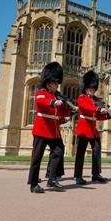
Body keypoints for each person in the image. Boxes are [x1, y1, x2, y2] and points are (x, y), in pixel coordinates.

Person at [27, 62, 71, 193]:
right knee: (37, 157)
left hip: (53, 130)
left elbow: (61, 111)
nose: (57, 85)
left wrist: (72, 111)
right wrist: (53, 102)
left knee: (58, 151)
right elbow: (41, 102)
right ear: (48, 82)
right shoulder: (41, 92)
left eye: (57, 83)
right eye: (55, 83)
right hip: (42, 128)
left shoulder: (55, 95)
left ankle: (52, 179)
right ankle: (33, 183)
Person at [74, 70, 111, 185]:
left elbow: (96, 116)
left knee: (96, 151)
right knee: (80, 153)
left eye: (93, 88)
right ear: (85, 88)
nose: (92, 90)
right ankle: (78, 176)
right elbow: (85, 107)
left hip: (93, 130)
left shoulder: (96, 100)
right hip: (83, 129)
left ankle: (96, 174)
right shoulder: (82, 98)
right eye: (90, 88)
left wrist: (107, 115)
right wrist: (98, 109)